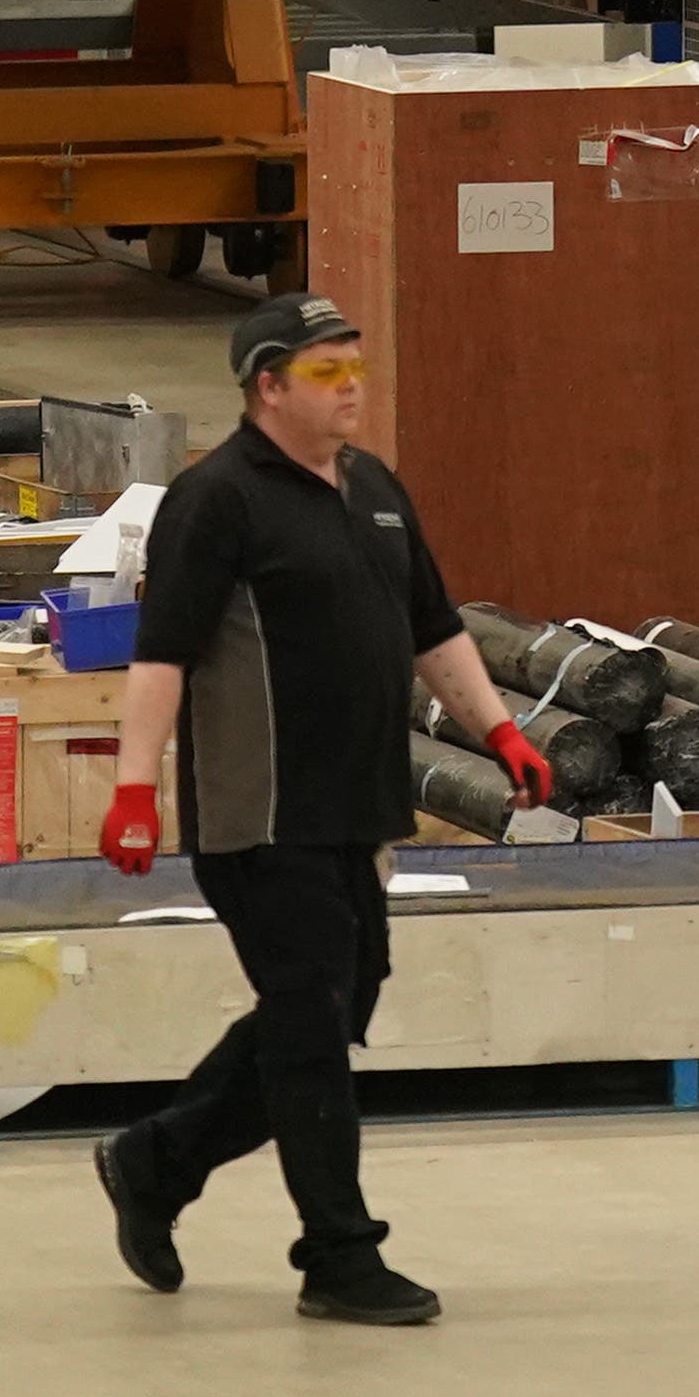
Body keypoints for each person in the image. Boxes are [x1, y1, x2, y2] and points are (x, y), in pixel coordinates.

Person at [92, 295, 554, 1322]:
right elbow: (161, 653)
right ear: (267, 384)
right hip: (260, 814)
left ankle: (155, 1159)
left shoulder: (374, 488)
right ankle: (338, 1253)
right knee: (307, 1022)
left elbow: (435, 624)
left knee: (342, 1001)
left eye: (355, 365)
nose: (350, 384)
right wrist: (133, 787)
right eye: (324, 370)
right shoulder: (215, 499)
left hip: (358, 804)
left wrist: (501, 730)